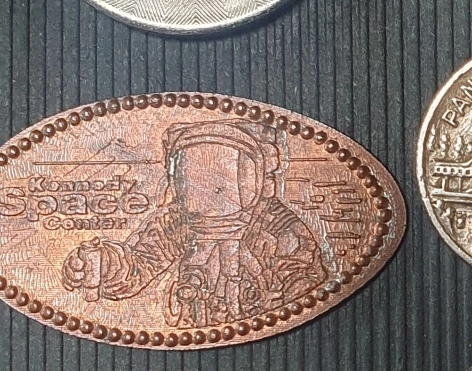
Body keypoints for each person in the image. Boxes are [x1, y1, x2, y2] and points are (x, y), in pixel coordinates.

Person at [61, 120, 327, 327]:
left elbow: (304, 291)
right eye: (194, 169)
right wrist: (107, 264)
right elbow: (140, 263)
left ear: (257, 175)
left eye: (225, 169)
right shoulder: (177, 221)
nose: (211, 188)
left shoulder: (281, 228)